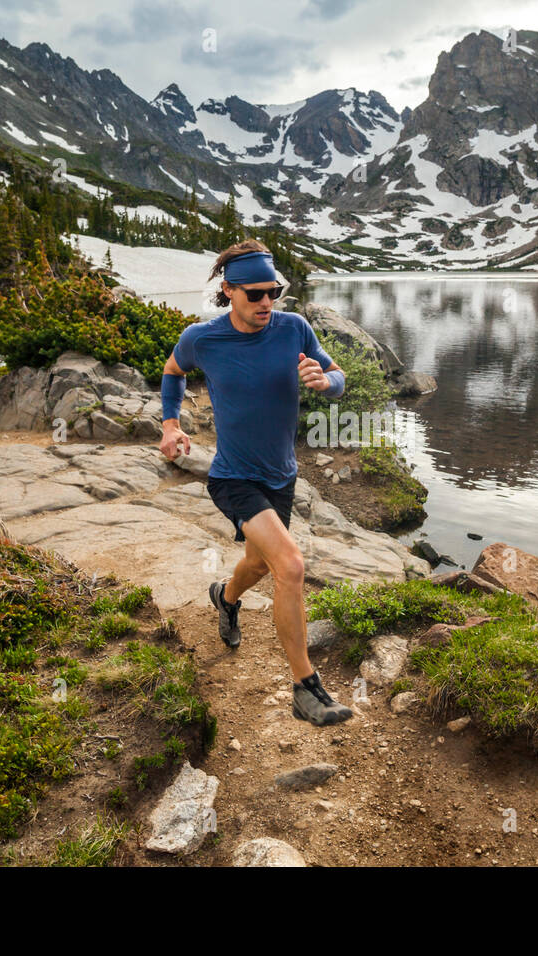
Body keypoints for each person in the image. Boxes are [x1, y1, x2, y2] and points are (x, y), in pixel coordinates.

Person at [158, 239, 353, 726]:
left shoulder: (294, 329)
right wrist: (170, 423)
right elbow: (173, 371)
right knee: (290, 565)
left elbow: (337, 374)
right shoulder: (203, 338)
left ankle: (225, 597)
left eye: (274, 291)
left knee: (259, 565)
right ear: (229, 291)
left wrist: (327, 382)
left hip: (281, 477)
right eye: (256, 294)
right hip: (232, 478)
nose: (267, 302)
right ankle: (305, 690)